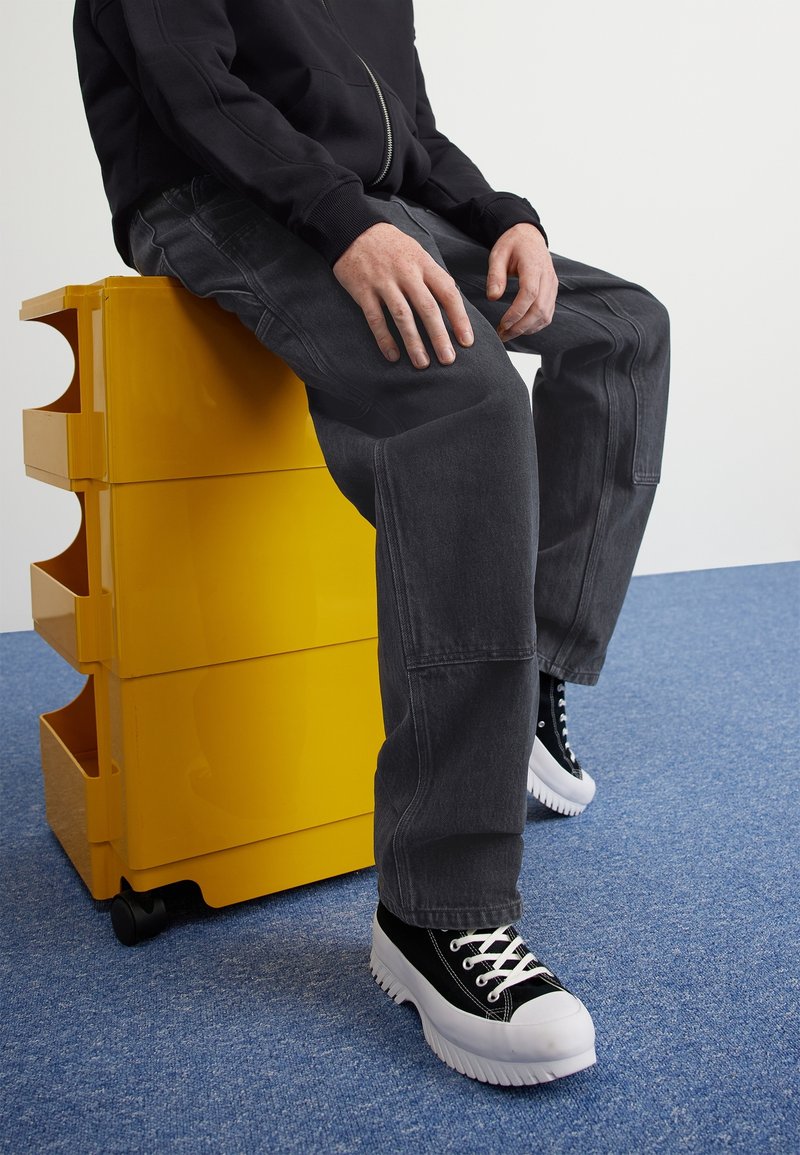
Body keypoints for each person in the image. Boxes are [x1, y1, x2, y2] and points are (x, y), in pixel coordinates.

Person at [73, 0, 670, 1086]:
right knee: (462, 398)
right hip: (213, 194)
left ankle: (529, 673)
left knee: (623, 331)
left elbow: (413, 135)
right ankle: (434, 915)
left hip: (366, 205)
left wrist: (505, 219)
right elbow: (194, 91)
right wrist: (344, 224)